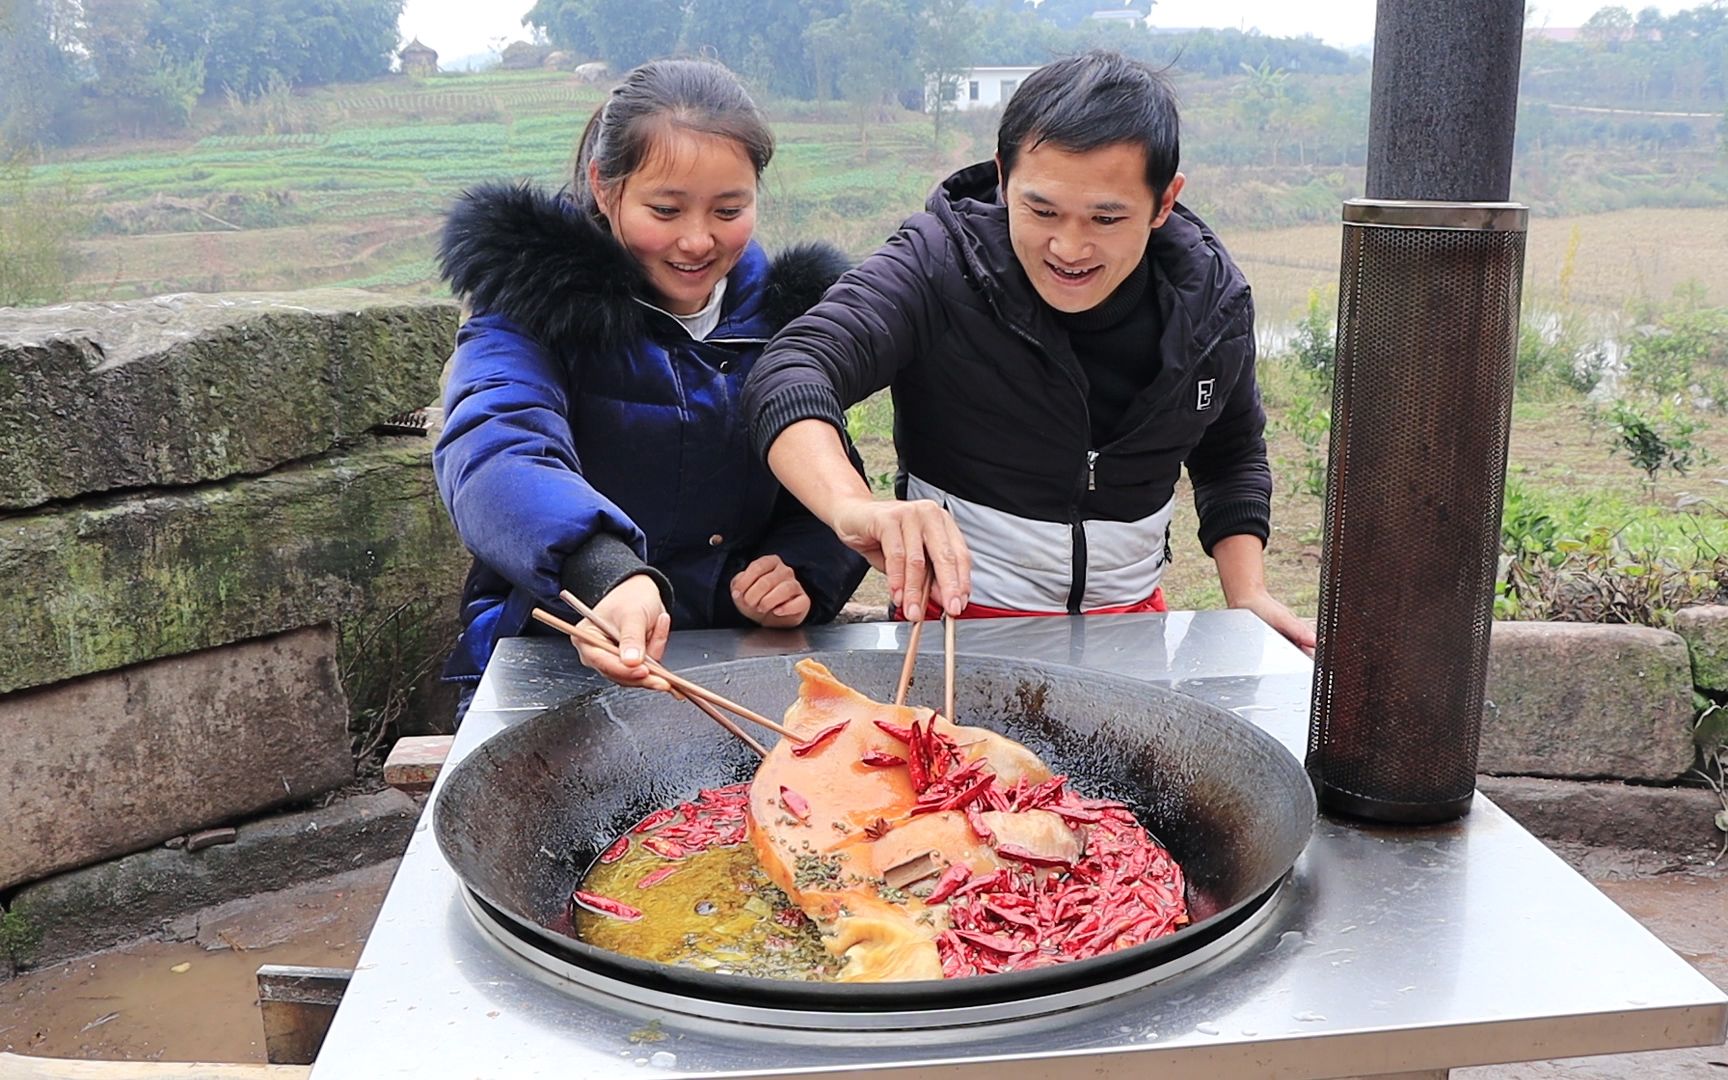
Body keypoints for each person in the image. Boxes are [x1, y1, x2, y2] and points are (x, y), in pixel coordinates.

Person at [742, 50, 1314, 651]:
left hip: (1134, 627)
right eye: (1041, 210)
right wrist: (854, 507)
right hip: (955, 631)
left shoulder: (1212, 303)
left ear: (1164, 202)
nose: (1069, 247)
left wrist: (1246, 591)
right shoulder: (938, 264)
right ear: (1003, 176)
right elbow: (792, 369)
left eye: (1106, 218)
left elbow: (1231, 448)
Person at [433, 58, 869, 711]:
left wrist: (804, 569)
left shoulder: (785, 318)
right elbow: (496, 451)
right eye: (665, 209)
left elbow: (825, 483)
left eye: (729, 209)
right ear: (605, 188)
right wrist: (600, 573)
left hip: (737, 673)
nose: (697, 240)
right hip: (561, 665)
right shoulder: (529, 312)